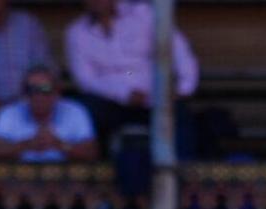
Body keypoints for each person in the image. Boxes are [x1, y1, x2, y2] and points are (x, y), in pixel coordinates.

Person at [64, 0, 198, 146]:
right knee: (84, 110)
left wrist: (184, 88)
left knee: (179, 114)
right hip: (112, 103)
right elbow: (86, 80)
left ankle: (178, 167)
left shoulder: (144, 14)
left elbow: (179, 50)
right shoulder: (77, 32)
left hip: (155, 99)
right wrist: (125, 94)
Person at [0, 64, 97, 164]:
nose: (38, 96)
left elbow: (91, 152)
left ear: (57, 92)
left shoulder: (75, 111)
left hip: (67, 181)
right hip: (18, 181)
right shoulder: (8, 113)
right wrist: (27, 145)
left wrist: (59, 145)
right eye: (32, 90)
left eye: (45, 89)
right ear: (23, 93)